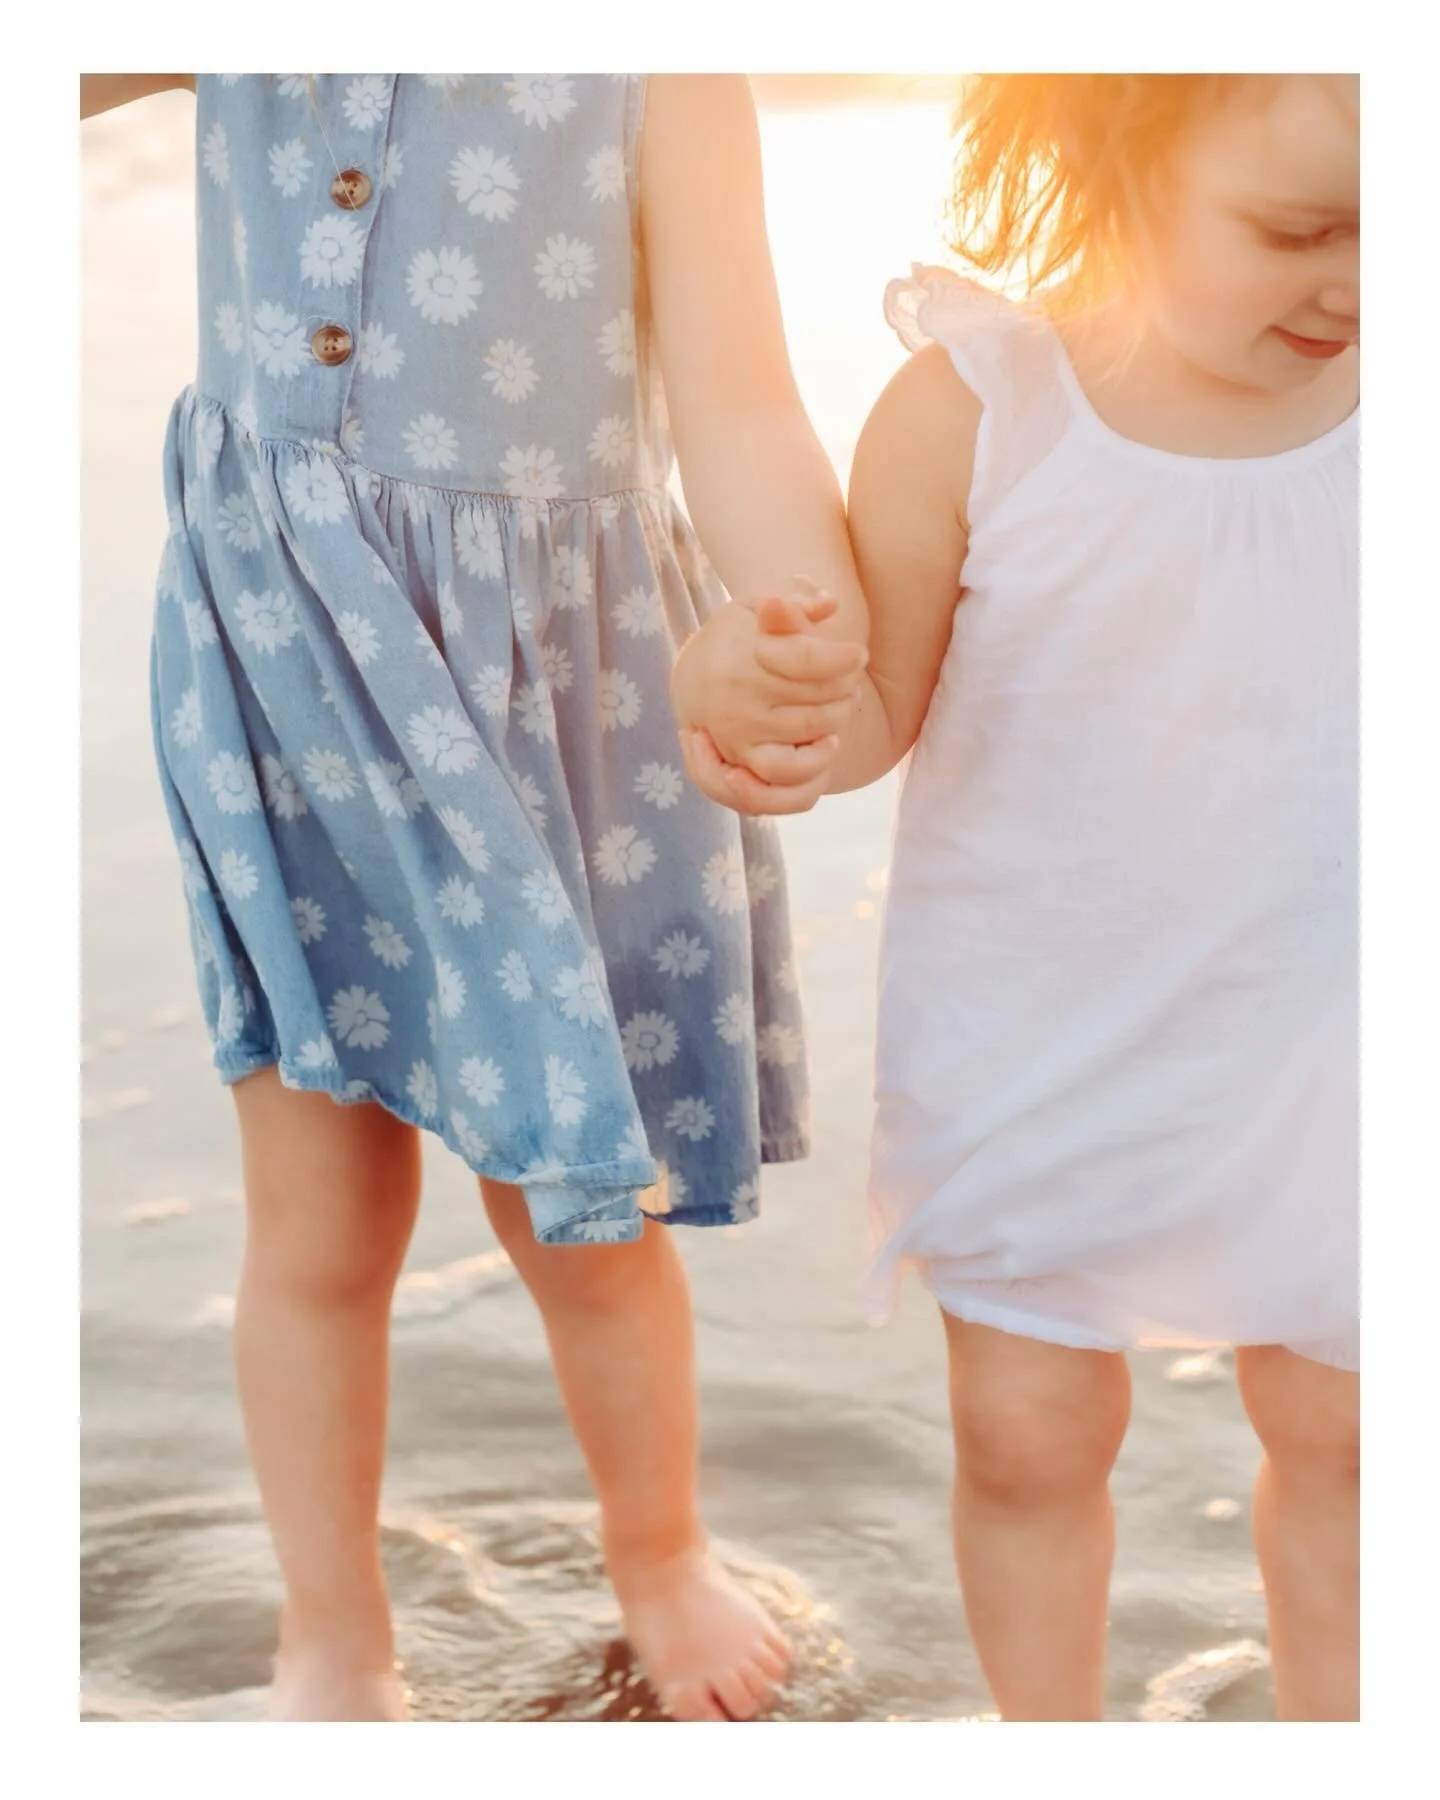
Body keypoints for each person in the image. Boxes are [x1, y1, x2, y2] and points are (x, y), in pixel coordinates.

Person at [80, 71, 869, 1722]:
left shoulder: (655, 67)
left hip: (553, 700)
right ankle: (335, 1628)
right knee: (317, 1218)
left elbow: (739, 400)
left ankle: (658, 1551)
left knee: (580, 1207)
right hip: (287, 665)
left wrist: (793, 621)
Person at [676, 74, 1360, 1721]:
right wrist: (759, 696)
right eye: (1295, 229)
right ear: (1108, 167)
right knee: (1032, 1434)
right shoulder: (977, 407)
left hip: (1336, 1038)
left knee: (1352, 1433)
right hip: (1045, 1024)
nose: (1359, 278)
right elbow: (867, 715)